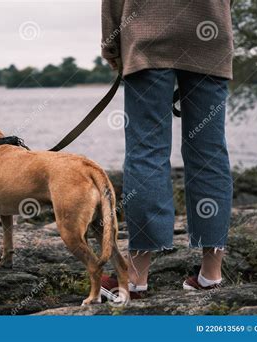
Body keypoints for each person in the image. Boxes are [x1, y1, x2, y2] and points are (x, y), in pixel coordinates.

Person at [101, 0, 234, 298]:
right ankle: (211, 275)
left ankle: (136, 278)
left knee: (146, 151)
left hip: (147, 33)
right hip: (210, 34)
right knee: (209, 154)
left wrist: (111, 42)